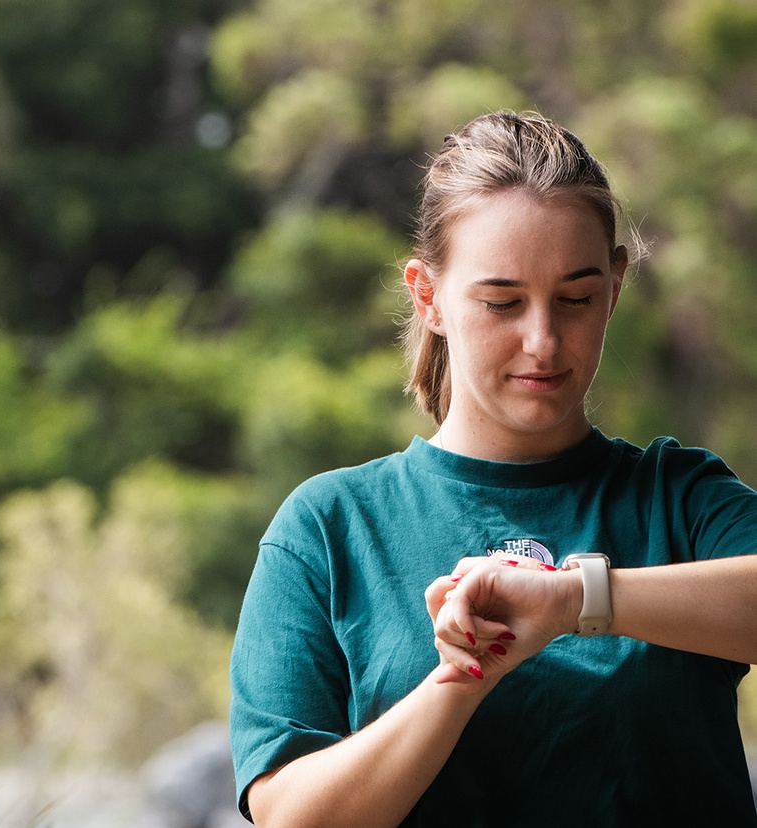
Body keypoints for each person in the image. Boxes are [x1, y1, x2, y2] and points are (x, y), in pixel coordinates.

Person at [229, 110, 757, 826]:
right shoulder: (328, 527)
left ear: (615, 288)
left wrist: (575, 602)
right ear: (428, 296)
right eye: (502, 302)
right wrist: (464, 674)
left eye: (575, 299)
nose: (543, 340)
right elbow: (292, 815)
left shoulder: (680, 498)